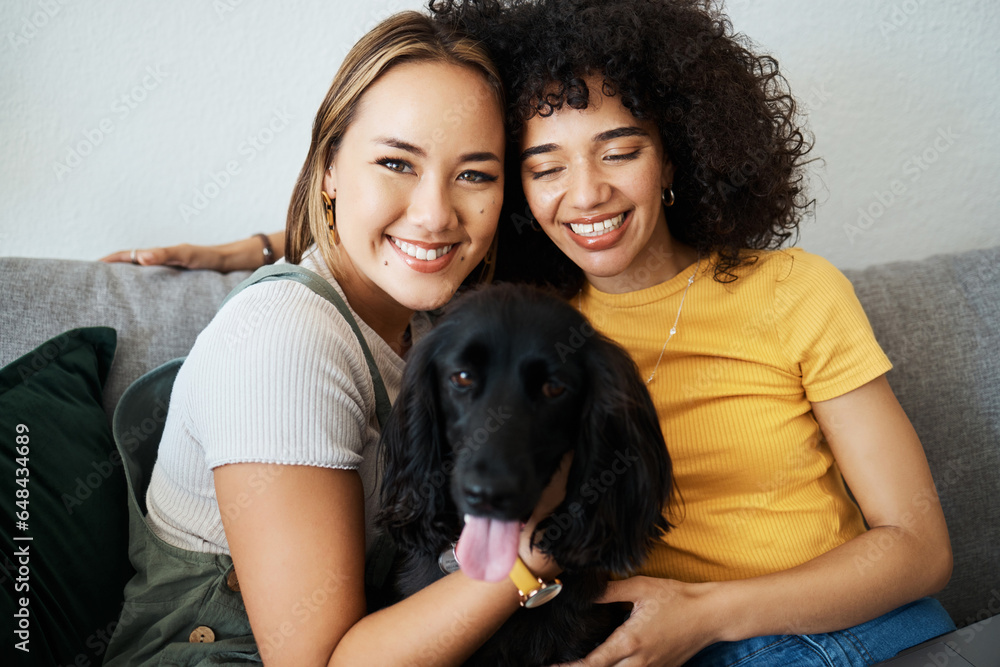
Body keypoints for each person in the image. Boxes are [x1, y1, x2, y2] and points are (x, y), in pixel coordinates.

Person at [106, 1, 955, 665]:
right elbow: (392, 242)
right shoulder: (516, 317)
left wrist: (699, 616)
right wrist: (269, 256)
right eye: (545, 166)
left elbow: (918, 545)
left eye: (620, 150)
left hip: (822, 636)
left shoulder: (791, 292)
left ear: (680, 156)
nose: (583, 193)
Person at [102, 10, 567, 666]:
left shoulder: (435, 314)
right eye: (395, 162)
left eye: (474, 174)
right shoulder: (285, 341)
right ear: (329, 168)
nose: (435, 214)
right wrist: (543, 545)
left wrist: (263, 243)